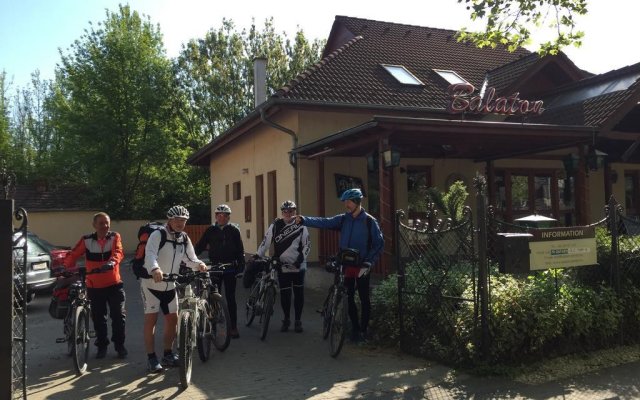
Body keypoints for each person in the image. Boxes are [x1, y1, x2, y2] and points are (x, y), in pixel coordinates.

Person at [296, 188, 384, 342]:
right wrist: (304, 219)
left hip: (362, 265)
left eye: (348, 202)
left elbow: (378, 244)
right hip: (346, 264)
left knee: (364, 299)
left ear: (357, 202)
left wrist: (369, 262)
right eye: (345, 202)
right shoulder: (344, 219)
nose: (346, 205)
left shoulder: (370, 221)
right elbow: (325, 222)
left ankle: (364, 330)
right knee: (347, 297)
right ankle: (355, 330)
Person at [141, 205, 207, 373]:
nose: (180, 223)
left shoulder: (184, 238)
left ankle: (168, 354)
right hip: (151, 285)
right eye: (177, 220)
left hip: (170, 285)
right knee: (151, 321)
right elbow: (150, 254)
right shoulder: (158, 234)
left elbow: (190, 258)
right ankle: (151, 358)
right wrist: (155, 269)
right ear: (169, 220)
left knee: (173, 320)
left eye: (183, 221)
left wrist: (199, 264)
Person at [63, 212, 127, 359]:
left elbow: (118, 252)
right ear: (94, 225)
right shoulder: (86, 240)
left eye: (107, 223)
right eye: (101, 223)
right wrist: (65, 267)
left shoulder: (114, 237)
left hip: (114, 284)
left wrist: (111, 262)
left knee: (118, 317)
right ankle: (102, 346)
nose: (105, 226)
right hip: (94, 286)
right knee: (98, 319)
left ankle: (119, 346)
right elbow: (73, 255)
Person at [255, 200, 310, 333]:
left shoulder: (301, 226)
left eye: (291, 211)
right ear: (282, 212)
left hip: (298, 266)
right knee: (285, 294)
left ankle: (298, 320)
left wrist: (301, 259)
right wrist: (258, 254)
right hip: (282, 265)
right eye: (285, 211)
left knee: (298, 295)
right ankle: (286, 319)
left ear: (295, 212)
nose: (288, 213)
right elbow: (266, 241)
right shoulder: (275, 225)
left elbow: (307, 245)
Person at [195, 204, 245, 339]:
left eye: (225, 215)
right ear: (216, 216)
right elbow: (199, 246)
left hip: (230, 268)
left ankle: (233, 327)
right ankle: (213, 325)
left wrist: (241, 268)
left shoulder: (234, 230)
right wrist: (190, 259)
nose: (222, 218)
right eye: (219, 215)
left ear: (228, 217)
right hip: (215, 268)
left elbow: (240, 250)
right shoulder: (210, 230)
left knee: (230, 298)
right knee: (213, 296)